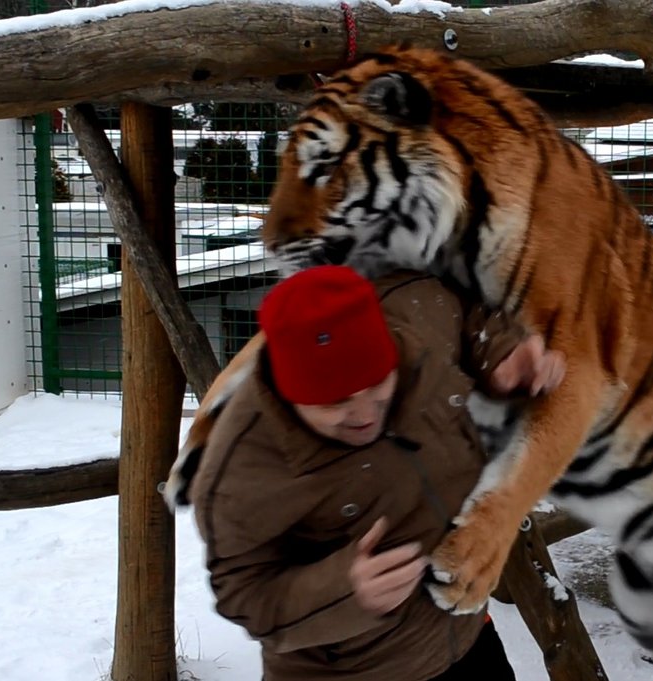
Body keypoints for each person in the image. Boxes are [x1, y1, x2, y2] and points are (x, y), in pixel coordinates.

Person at [189, 265, 566, 681]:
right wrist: (343, 591)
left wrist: (501, 351)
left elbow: (466, 307)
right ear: (289, 392)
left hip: (465, 635)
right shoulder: (238, 474)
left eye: (377, 384)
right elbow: (243, 593)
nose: (366, 414)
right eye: (336, 403)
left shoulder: (414, 315)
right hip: (353, 672)